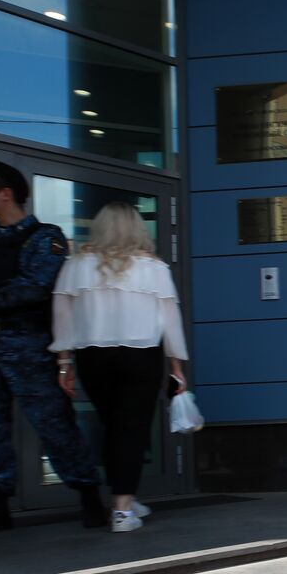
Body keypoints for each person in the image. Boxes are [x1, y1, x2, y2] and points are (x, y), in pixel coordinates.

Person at [0, 160, 106, 535]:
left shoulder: (45, 237)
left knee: (54, 424)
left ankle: (89, 496)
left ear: (5, 193)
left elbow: (39, 283)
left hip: (27, 345)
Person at [51, 203, 190, 532]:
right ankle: (123, 508)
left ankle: (124, 498)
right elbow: (170, 320)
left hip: (93, 356)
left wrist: (63, 362)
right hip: (140, 354)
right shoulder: (153, 268)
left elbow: (62, 315)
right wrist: (177, 367)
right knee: (131, 428)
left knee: (113, 426)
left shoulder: (77, 264)